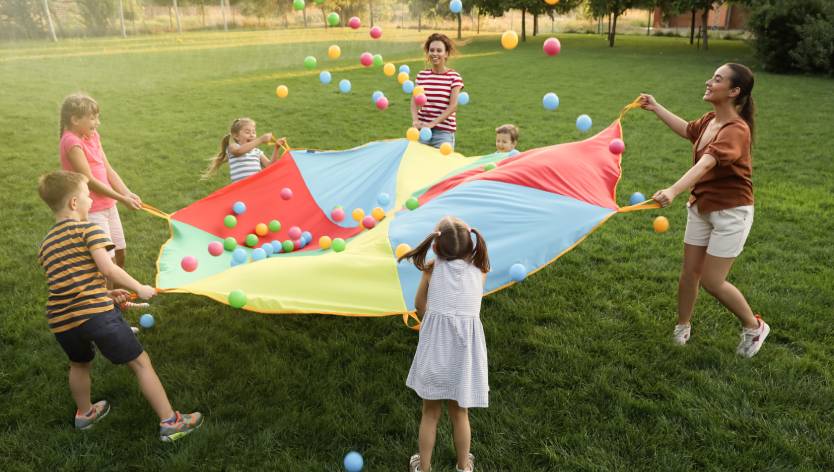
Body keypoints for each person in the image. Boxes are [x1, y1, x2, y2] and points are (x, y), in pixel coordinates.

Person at [37, 171, 203, 441]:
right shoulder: (88, 229)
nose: (91, 200)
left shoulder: (46, 244)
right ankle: (171, 422)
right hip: (95, 315)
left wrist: (106, 293)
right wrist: (140, 287)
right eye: (87, 195)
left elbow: (70, 281)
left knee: (78, 364)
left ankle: (85, 414)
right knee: (140, 362)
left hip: (61, 321)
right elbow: (108, 268)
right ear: (74, 203)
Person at [640, 63, 769, 358]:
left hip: (731, 213)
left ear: (734, 91)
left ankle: (754, 326)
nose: (709, 82)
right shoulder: (711, 120)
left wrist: (673, 190)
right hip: (702, 206)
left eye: (718, 79)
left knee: (712, 281)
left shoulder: (736, 130)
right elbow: (688, 129)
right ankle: (682, 326)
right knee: (690, 272)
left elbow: (706, 163)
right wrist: (657, 107)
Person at [399, 216, 490, 472]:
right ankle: (463, 466)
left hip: (435, 351)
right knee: (460, 414)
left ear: (436, 246)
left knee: (430, 414)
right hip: (465, 356)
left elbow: (419, 305)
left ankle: (424, 467)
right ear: (470, 245)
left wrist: (434, 321)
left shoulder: (432, 269)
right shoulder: (481, 271)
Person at [59, 93, 141, 269]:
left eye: (97, 117)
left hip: (109, 204)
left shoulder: (92, 136)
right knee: (108, 263)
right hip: (92, 209)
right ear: (75, 119)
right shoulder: (71, 142)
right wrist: (122, 199)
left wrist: (127, 193)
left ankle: (120, 288)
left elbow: (108, 169)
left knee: (120, 251)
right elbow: (88, 180)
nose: (98, 123)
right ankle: (107, 289)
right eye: (93, 118)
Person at [411, 33, 464, 149]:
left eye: (439, 50)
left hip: (443, 133)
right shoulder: (422, 75)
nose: (435, 53)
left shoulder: (454, 77)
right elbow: (414, 100)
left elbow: (453, 106)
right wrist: (415, 120)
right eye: (432, 50)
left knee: (442, 161)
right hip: (422, 130)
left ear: (446, 54)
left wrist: (433, 123)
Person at [202, 117, 285, 182]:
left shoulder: (257, 152)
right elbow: (239, 151)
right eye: (247, 132)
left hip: (256, 187)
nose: (252, 135)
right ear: (236, 136)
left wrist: (276, 148)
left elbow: (270, 166)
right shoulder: (233, 147)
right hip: (240, 190)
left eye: (254, 132)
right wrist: (261, 139)